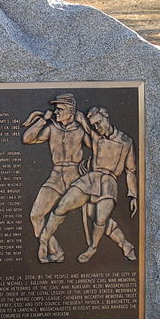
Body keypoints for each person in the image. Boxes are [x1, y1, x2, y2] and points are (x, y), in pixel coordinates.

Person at [39, 106, 138, 264]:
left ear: (107, 118)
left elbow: (131, 170)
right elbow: (82, 120)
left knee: (100, 220)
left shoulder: (126, 142)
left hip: (109, 182)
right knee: (62, 206)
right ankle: (44, 239)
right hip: (90, 179)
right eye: (94, 125)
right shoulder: (95, 135)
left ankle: (93, 247)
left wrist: (133, 195)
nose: (97, 127)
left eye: (99, 123)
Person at [22, 93, 89, 263]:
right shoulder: (52, 128)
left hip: (75, 179)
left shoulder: (80, 130)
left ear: (71, 111)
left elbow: (99, 147)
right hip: (55, 178)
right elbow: (27, 138)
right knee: (36, 215)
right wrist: (43, 120)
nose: (56, 112)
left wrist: (86, 125)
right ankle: (55, 250)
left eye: (59, 109)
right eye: (55, 109)